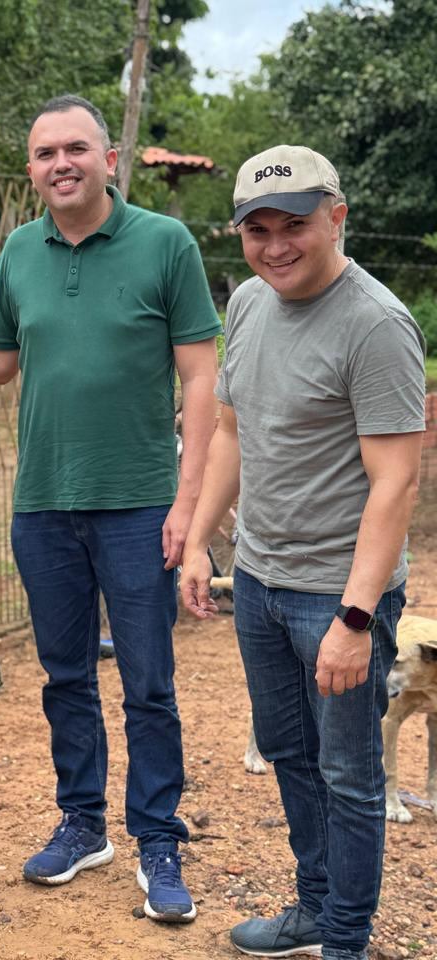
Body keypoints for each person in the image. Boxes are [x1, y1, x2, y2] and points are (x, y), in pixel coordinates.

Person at [0, 94, 221, 922]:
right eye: (45, 152)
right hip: (43, 505)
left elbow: (201, 377)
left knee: (149, 682)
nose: (61, 163)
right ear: (31, 168)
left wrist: (188, 502)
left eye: (76, 149)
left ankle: (158, 837)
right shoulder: (19, 251)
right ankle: (82, 823)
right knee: (63, 676)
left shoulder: (166, 245)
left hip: (139, 505)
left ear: (108, 160)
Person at [180, 145, 426, 960]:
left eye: (297, 225)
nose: (277, 245)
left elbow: (395, 483)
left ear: (337, 217)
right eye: (259, 229)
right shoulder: (248, 302)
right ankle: (316, 907)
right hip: (257, 579)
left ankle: (346, 943)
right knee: (287, 749)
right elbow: (231, 430)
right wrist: (198, 542)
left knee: (350, 775)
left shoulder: (377, 324)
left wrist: (356, 617)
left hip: (336, 593)